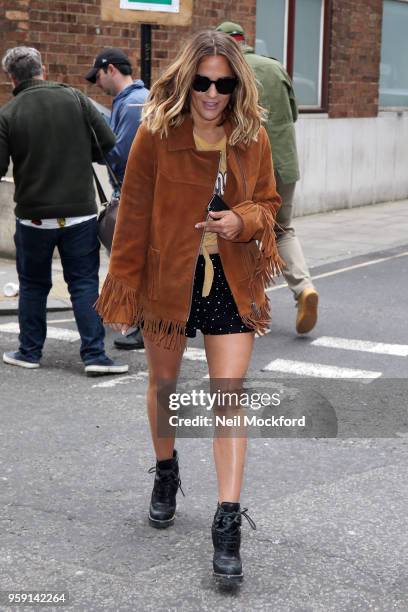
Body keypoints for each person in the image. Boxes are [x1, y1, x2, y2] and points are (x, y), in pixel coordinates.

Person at [95, 30, 283, 583]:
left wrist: (241, 220)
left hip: (231, 277)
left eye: (223, 84)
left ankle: (227, 522)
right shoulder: (156, 133)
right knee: (164, 385)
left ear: (236, 86)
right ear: (186, 80)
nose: (212, 94)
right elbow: (131, 218)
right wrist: (122, 288)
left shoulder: (252, 137)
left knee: (228, 396)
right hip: (168, 279)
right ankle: (166, 469)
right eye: (202, 82)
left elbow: (269, 204)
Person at [0, 46, 128, 376]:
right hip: (79, 215)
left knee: (32, 286)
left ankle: (29, 352)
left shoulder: (9, 112)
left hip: (33, 217)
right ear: (42, 69)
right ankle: (95, 356)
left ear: (12, 78)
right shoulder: (75, 98)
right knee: (84, 283)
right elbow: (107, 144)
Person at [216, 21, 319, 334]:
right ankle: (303, 289)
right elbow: (294, 115)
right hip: (284, 164)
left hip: (244, 166)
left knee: (237, 230)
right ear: (245, 41)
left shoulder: (222, 70)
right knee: (281, 229)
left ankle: (245, 305)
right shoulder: (275, 68)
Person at [85, 48, 149, 351]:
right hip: (137, 193)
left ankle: (145, 326)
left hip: (136, 195)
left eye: (97, 76)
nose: (96, 83)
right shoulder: (131, 100)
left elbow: (121, 155)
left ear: (110, 69)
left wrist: (95, 140)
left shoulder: (135, 102)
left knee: (133, 260)